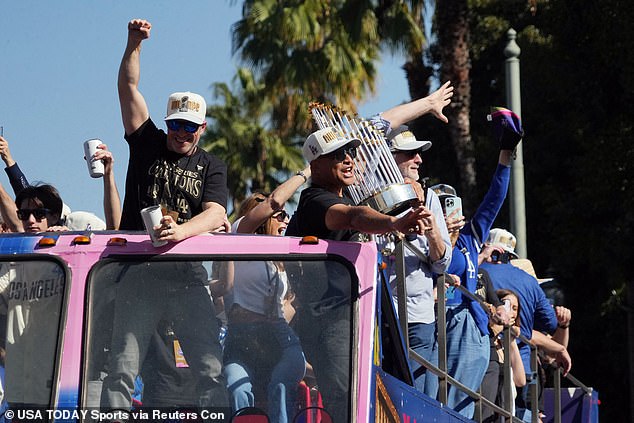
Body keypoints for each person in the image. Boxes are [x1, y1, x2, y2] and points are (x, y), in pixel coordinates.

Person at [100, 18, 230, 410]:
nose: (180, 134)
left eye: (189, 128)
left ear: (202, 128)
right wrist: (133, 44)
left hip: (188, 276)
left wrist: (182, 231)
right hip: (139, 274)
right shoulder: (148, 143)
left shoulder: (212, 164)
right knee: (122, 366)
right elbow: (128, 89)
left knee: (210, 365)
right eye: (175, 125)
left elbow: (216, 213)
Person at [286, 127, 427, 422]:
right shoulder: (315, 200)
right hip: (331, 320)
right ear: (316, 165)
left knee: (365, 397)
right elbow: (353, 217)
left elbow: (379, 125)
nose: (349, 160)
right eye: (338, 155)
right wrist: (394, 223)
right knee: (348, 400)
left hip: (353, 316)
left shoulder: (346, 194)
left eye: (350, 152)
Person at [428, 144, 516, 418]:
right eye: (441, 206)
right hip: (449, 324)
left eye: (452, 204)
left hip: (478, 330)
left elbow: (495, 199)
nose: (449, 213)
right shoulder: (428, 239)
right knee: (451, 404)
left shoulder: (469, 238)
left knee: (468, 408)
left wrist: (505, 154)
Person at [223, 167, 310, 423]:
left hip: (280, 337)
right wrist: (305, 173)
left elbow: (286, 308)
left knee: (281, 384)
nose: (285, 220)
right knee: (236, 385)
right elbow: (273, 201)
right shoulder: (241, 239)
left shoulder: (280, 262)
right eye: (280, 215)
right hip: (241, 337)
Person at [374, 125, 452, 397]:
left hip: (419, 319)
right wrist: (394, 226)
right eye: (410, 153)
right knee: (386, 399)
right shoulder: (371, 197)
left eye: (418, 153)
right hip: (380, 315)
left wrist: (432, 232)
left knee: (420, 400)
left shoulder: (430, 197)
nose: (419, 159)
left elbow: (443, 264)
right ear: (389, 158)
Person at [481, 228, 570, 422]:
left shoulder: (478, 271)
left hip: (486, 359)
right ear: (511, 256)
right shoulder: (529, 282)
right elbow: (552, 325)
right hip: (524, 370)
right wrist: (559, 343)